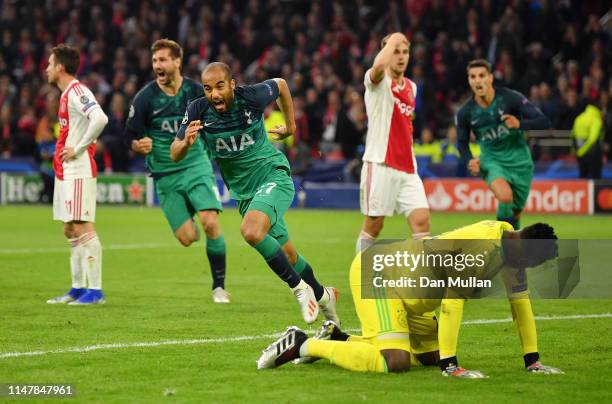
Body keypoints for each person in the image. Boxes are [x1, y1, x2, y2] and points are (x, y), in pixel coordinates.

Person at [257, 220, 564, 377]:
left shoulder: (511, 247)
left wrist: (532, 362)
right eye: (530, 263)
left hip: (411, 294)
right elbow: (452, 306)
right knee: (396, 361)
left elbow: (520, 307)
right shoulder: (482, 248)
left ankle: (339, 337)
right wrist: (452, 366)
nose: (526, 270)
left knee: (429, 356)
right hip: (378, 274)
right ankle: (302, 344)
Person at [171, 62, 338, 324]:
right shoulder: (197, 109)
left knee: (251, 231)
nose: (214, 94)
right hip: (246, 194)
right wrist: (185, 143)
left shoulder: (251, 97)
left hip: (273, 175)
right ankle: (324, 295)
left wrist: (291, 127)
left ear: (232, 85)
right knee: (290, 256)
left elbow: (281, 85)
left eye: (219, 87)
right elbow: (175, 151)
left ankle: (300, 289)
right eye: (207, 88)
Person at [125, 39, 230, 303]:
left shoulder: (196, 91)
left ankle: (219, 287)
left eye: (162, 60)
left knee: (210, 222)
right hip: (165, 174)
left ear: (177, 62)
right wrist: (139, 145)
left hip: (196, 165)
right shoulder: (145, 98)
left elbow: (218, 117)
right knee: (186, 238)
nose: (157, 65)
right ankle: (190, 212)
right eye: (154, 61)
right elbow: (131, 137)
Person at [45, 44, 109, 305]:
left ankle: (95, 291)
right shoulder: (66, 95)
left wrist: (79, 147)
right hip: (65, 170)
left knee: (83, 226)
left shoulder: (78, 91)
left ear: (60, 67)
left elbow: (100, 118)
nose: (46, 69)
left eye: (49, 64)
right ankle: (77, 288)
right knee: (70, 229)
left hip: (79, 168)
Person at [356, 32, 431, 254]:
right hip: (380, 164)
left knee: (422, 222)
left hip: (408, 168)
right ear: (386, 53)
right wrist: (395, 38)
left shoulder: (412, 87)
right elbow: (378, 65)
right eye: (395, 51)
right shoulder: (377, 82)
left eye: (405, 51)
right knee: (374, 225)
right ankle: (363, 277)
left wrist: (396, 41)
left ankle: (424, 283)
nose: (400, 56)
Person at [456, 59, 551, 230]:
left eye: (482, 76)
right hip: (491, 161)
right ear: (469, 80)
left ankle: (509, 245)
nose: (477, 80)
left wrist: (520, 124)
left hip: (520, 162)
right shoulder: (465, 112)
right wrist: (469, 160)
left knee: (514, 213)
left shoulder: (510, 98)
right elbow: (462, 143)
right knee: (505, 197)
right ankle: (502, 243)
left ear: (491, 77)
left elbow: (544, 121)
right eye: (473, 77)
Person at [572, 101, 604, 179]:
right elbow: (593, 138)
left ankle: (582, 191)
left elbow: (573, 135)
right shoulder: (596, 119)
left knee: (582, 176)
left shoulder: (579, 118)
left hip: (579, 152)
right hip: (592, 153)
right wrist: (584, 150)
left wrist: (578, 151)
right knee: (596, 177)